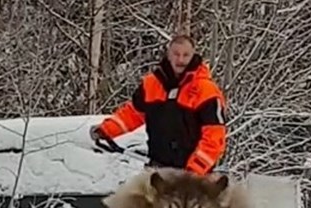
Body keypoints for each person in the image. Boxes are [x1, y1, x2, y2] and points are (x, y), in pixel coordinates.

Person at [91, 35, 227, 176]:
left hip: (194, 176)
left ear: (193, 55)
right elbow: (132, 114)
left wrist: (195, 170)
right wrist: (106, 130)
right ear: (169, 54)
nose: (180, 60)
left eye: (186, 55)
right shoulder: (151, 84)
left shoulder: (206, 91)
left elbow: (215, 137)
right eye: (176, 54)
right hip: (157, 170)